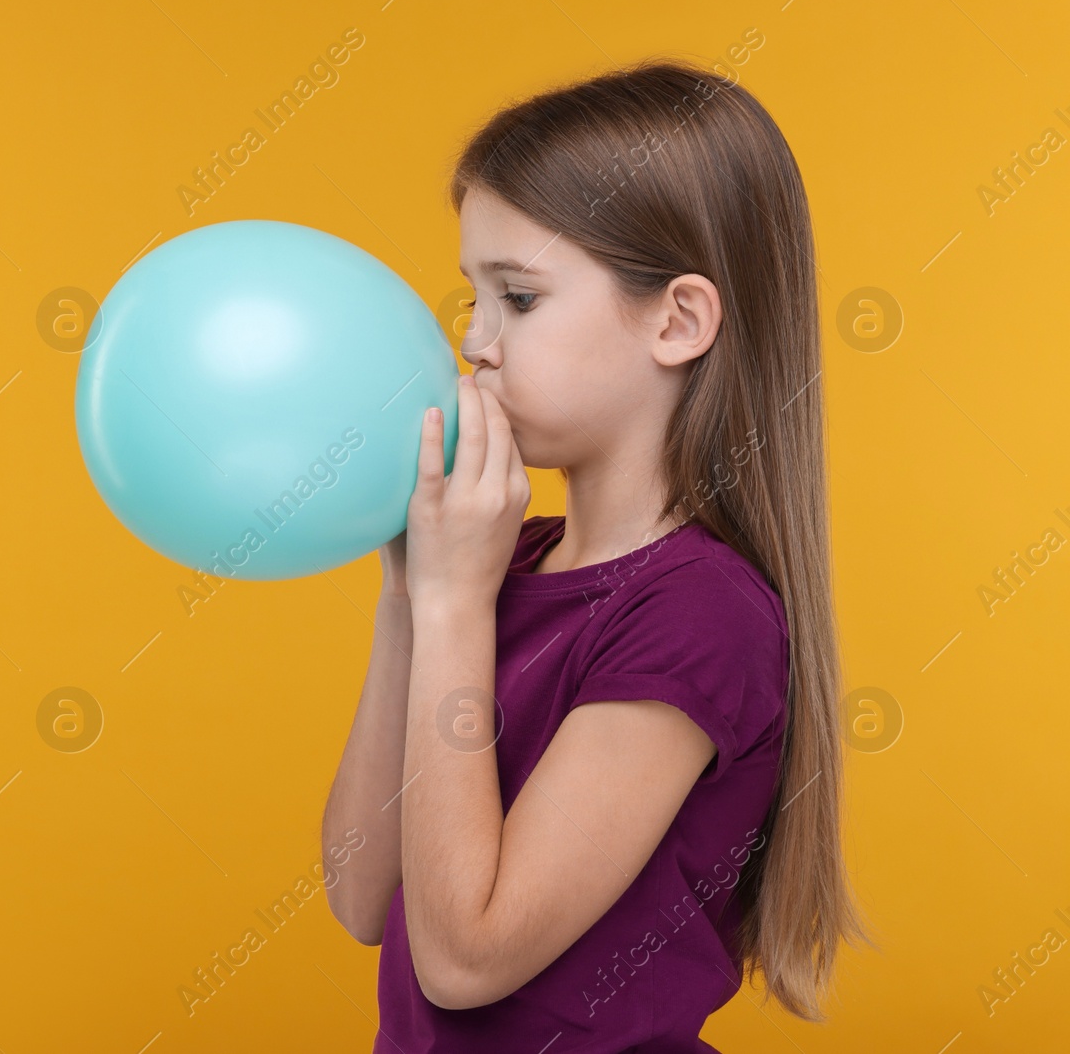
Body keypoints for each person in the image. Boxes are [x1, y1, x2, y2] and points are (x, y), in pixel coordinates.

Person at [320, 58, 878, 1052]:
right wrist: (409, 594)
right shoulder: (502, 563)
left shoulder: (698, 615)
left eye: (520, 299)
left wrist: (452, 606)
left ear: (677, 320)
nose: (476, 343)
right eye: (471, 300)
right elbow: (363, 891)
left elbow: (464, 959)